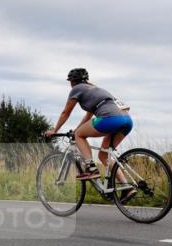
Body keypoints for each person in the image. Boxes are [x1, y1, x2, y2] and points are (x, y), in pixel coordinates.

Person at [43, 68, 135, 199]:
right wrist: (77, 130)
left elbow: (65, 112)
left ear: (72, 81)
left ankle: (91, 168)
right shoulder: (95, 89)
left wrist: (54, 130)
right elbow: (88, 117)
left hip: (110, 118)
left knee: (79, 135)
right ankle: (127, 187)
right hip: (126, 120)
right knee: (103, 155)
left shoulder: (77, 89)